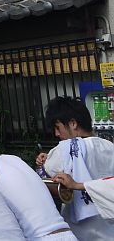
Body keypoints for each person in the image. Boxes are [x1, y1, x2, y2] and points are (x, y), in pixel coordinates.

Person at [37, 96, 114, 240]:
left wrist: (43, 162)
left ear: (73, 123)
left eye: (58, 127)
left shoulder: (63, 150)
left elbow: (44, 177)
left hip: (80, 233)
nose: (57, 134)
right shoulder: (109, 145)